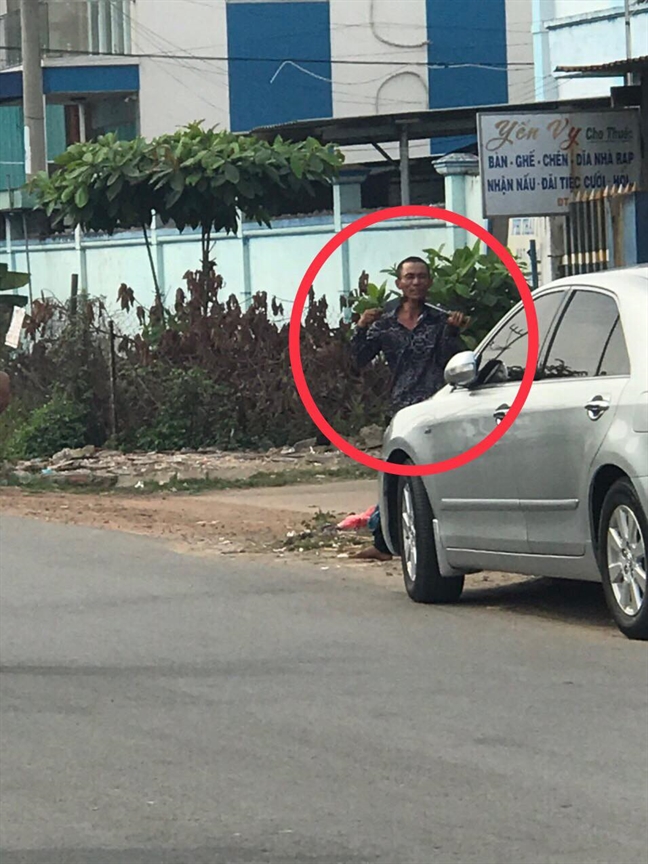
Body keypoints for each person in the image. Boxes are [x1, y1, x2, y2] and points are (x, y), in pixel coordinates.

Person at [350, 256, 469, 560]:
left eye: (421, 277)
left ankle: (435, 538)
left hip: (437, 405)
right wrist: (361, 328)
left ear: (429, 282)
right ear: (399, 283)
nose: (415, 282)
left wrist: (455, 330)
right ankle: (383, 540)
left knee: (436, 473)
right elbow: (358, 360)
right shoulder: (385, 323)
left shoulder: (440, 321)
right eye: (409, 277)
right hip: (402, 409)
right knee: (397, 476)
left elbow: (453, 359)